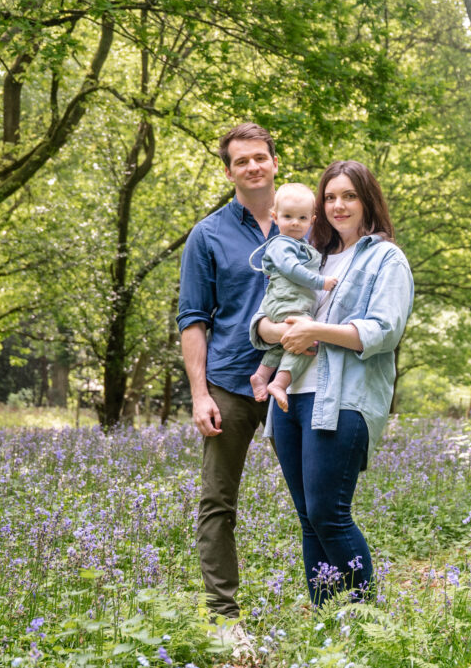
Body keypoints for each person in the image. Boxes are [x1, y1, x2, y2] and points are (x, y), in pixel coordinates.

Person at [251, 160, 414, 606]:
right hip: (289, 401)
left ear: (367, 201)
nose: (338, 205)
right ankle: (328, 623)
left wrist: (314, 331)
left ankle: (364, 619)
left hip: (342, 400)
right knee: (308, 518)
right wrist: (272, 330)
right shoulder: (307, 254)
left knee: (329, 514)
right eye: (330, 197)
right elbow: (267, 312)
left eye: (349, 196)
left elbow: (383, 330)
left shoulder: (385, 258)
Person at [177, 122, 279, 652]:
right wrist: (199, 395)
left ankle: (335, 603)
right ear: (229, 170)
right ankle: (225, 620)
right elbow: (193, 319)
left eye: (260, 157)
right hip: (230, 384)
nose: (253, 167)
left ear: (274, 162)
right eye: (242, 161)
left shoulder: (306, 223)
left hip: (297, 382)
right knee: (218, 501)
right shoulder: (208, 234)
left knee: (317, 498)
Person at [248, 183, 338, 411]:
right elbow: (290, 269)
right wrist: (321, 282)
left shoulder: (302, 245)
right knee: (308, 334)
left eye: (302, 217)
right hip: (284, 303)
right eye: (288, 216)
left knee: (286, 343)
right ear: (275, 217)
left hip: (294, 304)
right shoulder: (281, 245)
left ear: (312, 220)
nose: (295, 222)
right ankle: (279, 383)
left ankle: (261, 375)